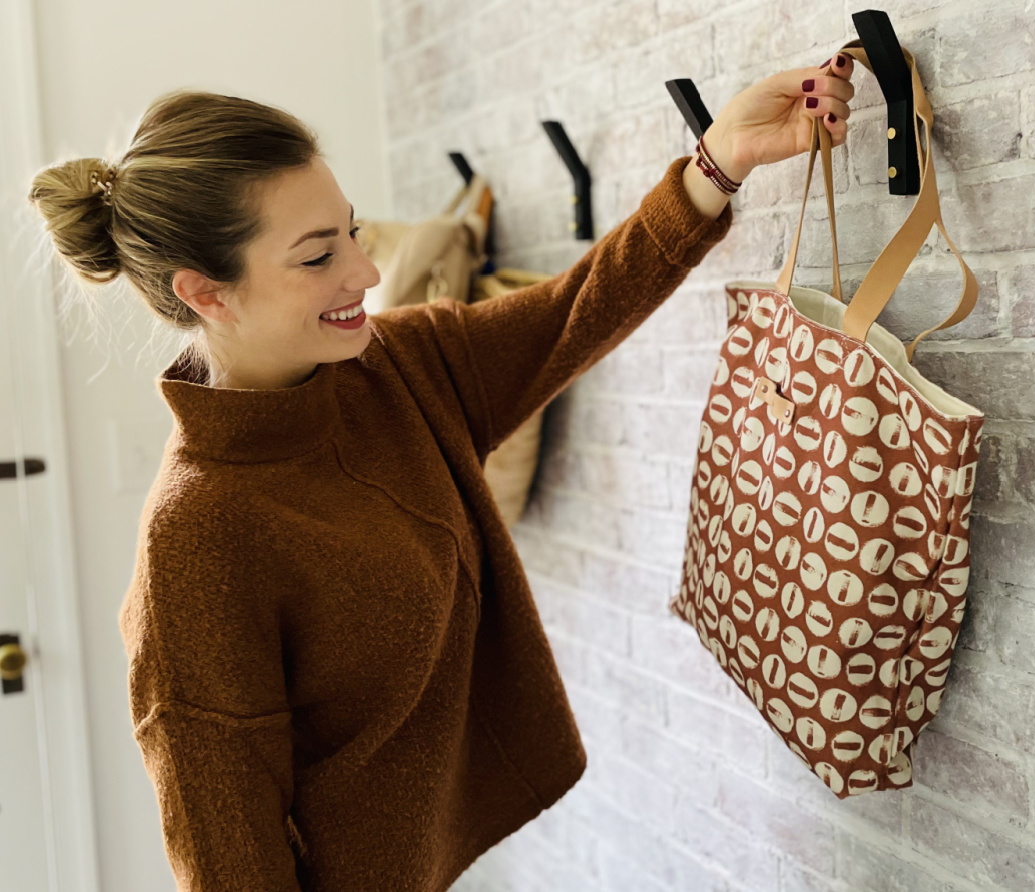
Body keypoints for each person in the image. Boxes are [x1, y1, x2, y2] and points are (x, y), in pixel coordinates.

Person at [26, 55, 854, 892]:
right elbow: (227, 858)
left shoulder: (398, 365)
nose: (365, 271)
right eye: (318, 257)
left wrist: (721, 160)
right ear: (208, 293)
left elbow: (576, 309)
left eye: (350, 231)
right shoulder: (197, 539)